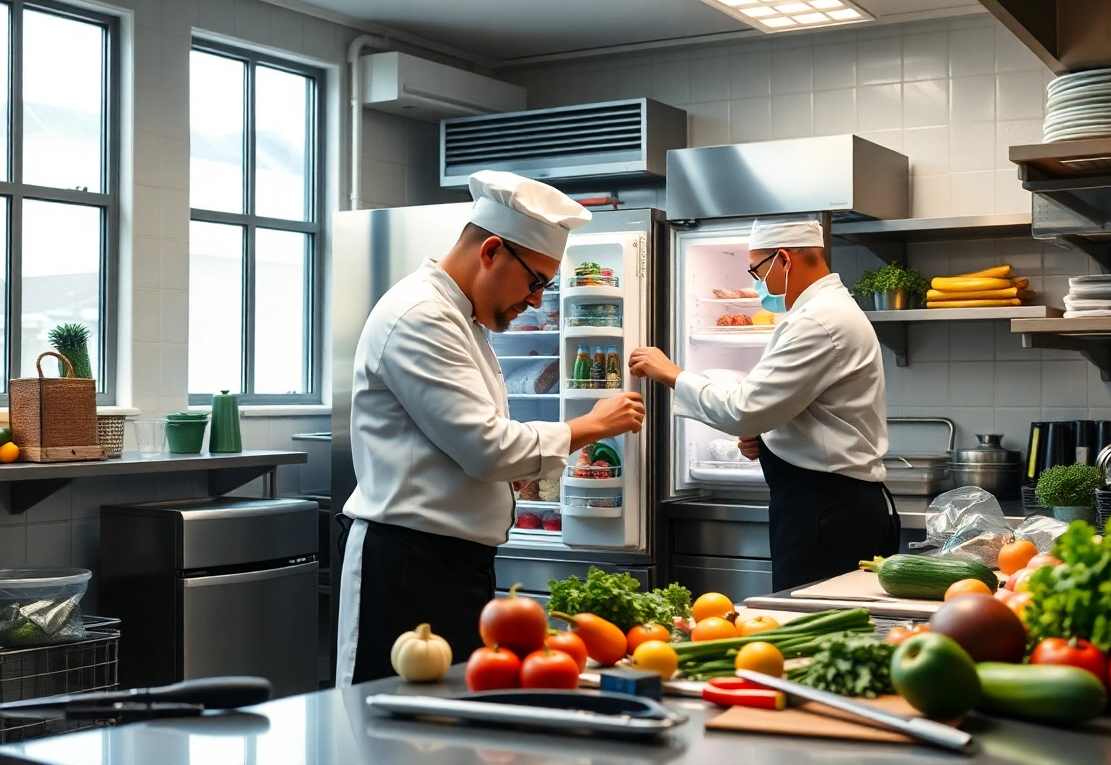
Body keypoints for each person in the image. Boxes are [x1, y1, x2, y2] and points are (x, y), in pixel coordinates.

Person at [337, 170, 645, 686]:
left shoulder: (461, 318)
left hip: (452, 562)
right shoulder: (421, 316)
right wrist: (587, 426)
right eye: (536, 282)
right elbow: (484, 447)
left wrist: (508, 478)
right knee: (389, 736)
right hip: (409, 564)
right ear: (492, 251)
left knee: (450, 730)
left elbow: (458, 445)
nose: (537, 300)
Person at [629, 216, 897, 592]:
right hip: (829, 505)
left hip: (825, 510)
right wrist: (770, 435)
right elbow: (796, 408)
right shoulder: (824, 311)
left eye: (757, 270)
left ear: (784, 260)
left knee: (809, 628)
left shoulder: (817, 321)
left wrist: (672, 374)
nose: (758, 285)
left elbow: (743, 410)